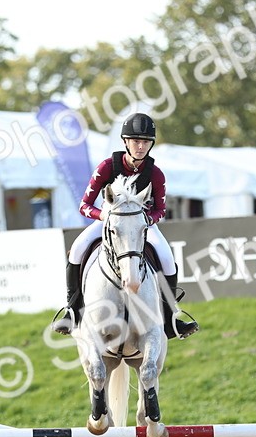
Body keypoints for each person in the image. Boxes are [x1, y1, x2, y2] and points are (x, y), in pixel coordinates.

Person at [51, 112, 198, 339]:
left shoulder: (156, 174)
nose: (141, 146)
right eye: (136, 141)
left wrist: (145, 220)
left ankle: (170, 319)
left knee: (167, 258)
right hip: (110, 222)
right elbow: (84, 205)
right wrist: (105, 217)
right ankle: (72, 309)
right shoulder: (107, 167)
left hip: (141, 225)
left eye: (146, 142)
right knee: (78, 248)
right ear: (125, 142)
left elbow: (160, 210)